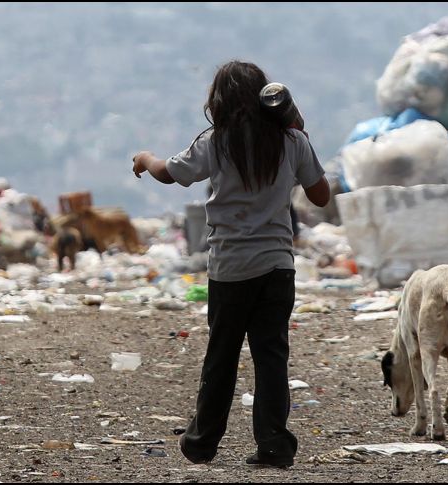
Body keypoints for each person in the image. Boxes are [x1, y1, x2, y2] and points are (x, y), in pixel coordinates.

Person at [132, 60, 330, 468]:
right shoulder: (291, 142)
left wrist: (145, 158)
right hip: (277, 266)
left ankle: (202, 443)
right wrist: (300, 130)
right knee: (271, 356)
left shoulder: (216, 141)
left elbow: (171, 174)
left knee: (221, 356)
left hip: (230, 267)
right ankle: (275, 446)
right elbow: (322, 195)